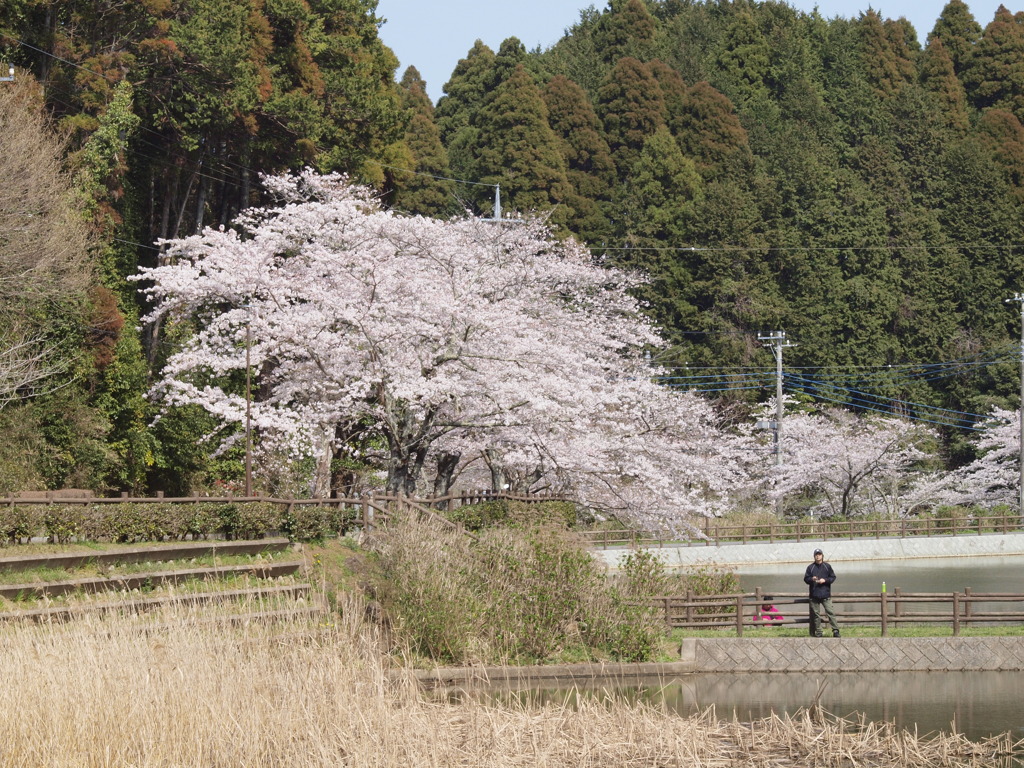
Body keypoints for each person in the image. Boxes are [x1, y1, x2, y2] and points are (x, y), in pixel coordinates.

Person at [804, 548, 840, 637]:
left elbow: (833, 577)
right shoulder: (810, 567)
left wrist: (825, 580)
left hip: (825, 594)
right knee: (816, 615)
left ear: (822, 556)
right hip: (814, 595)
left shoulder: (827, 566)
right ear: (814, 556)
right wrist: (812, 579)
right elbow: (806, 579)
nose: (818, 556)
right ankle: (819, 632)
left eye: (819, 554)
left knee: (830, 612)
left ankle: (836, 631)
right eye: (816, 554)